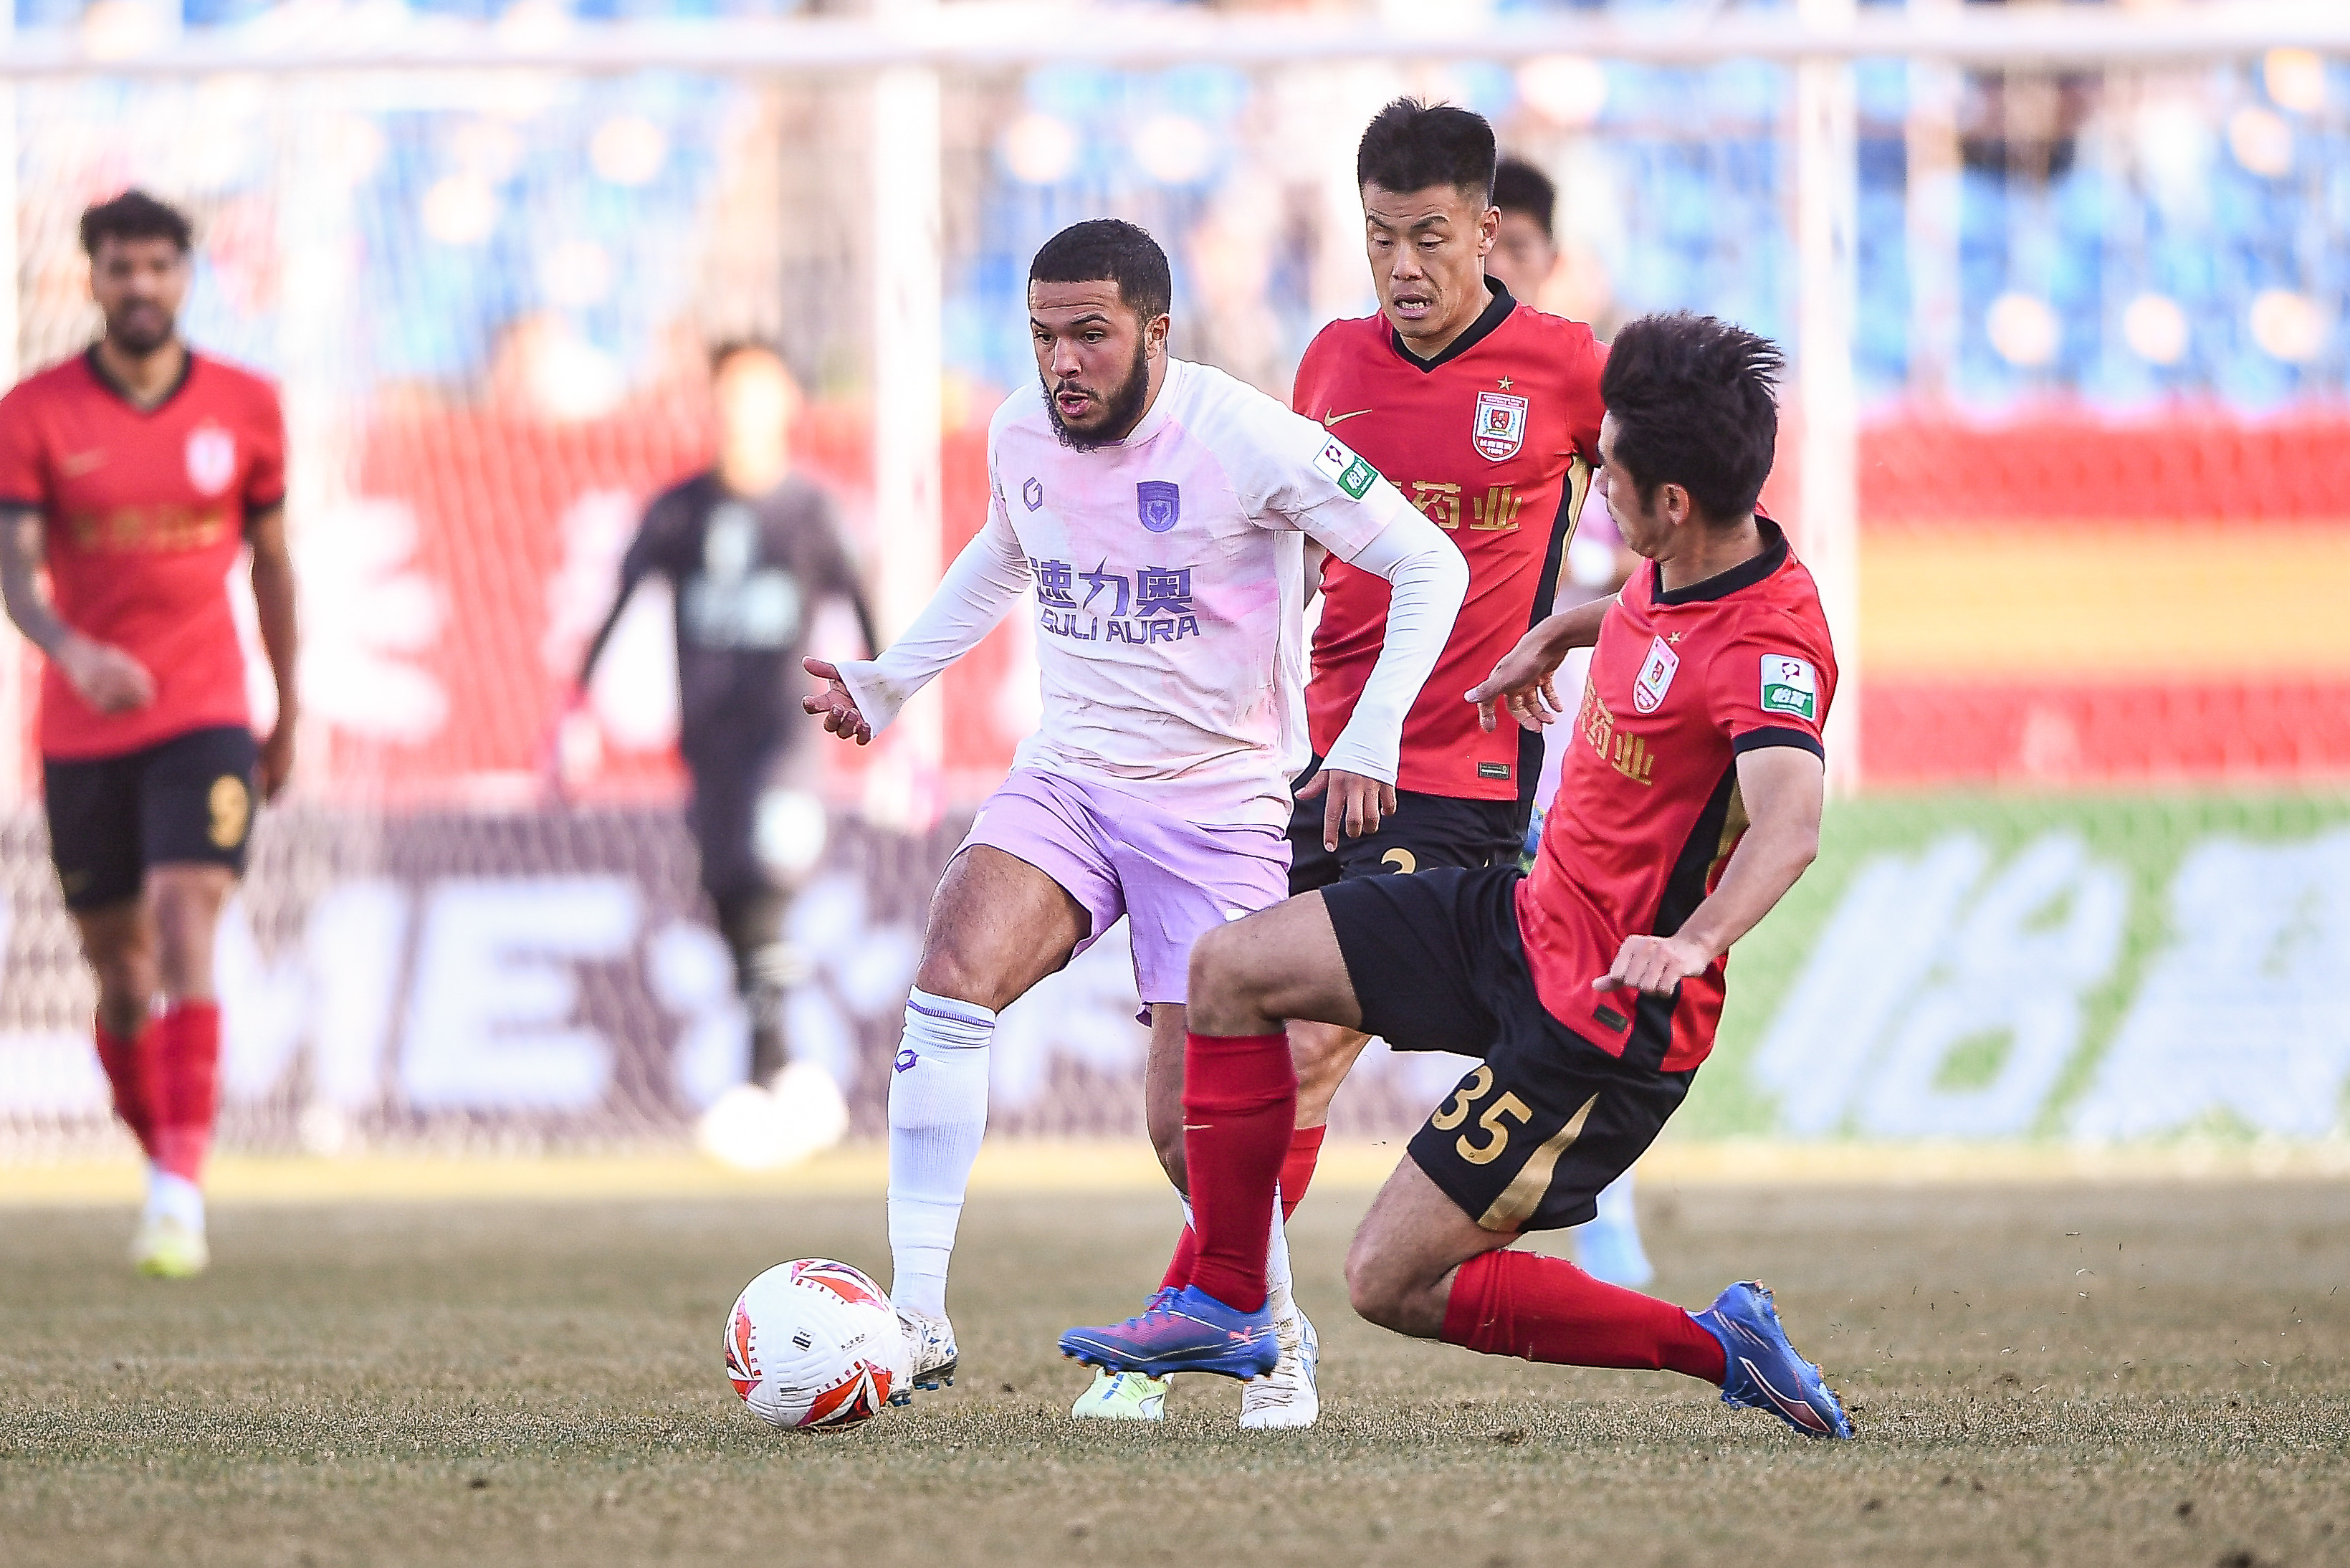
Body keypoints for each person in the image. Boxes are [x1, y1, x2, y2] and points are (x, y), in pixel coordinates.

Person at [1061, 312, 1854, 1443]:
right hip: (1517, 920)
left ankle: (1719, 1345)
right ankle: (1228, 1301)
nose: (1598, 490)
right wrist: (1563, 631)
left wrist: (1692, 941)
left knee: (1386, 1281)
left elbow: (1789, 822)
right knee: (1230, 968)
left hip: (1599, 1022)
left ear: (1671, 502)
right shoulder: (1694, 553)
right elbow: (1663, 618)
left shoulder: (1771, 648)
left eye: (1611, 475)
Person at [801, 219, 1466, 1425]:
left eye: (1090, 334)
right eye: (1043, 335)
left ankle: (1275, 1330)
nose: (1062, 361)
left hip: (1216, 803)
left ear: (1157, 332)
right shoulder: (1020, 431)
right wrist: (890, 681)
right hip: (1067, 777)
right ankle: (918, 1316)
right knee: (949, 976)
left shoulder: (1244, 436)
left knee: (1182, 1128)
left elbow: (1430, 563)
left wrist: (1370, 735)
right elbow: (1005, 551)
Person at [1133, 100, 1612, 1428]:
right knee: (1184, 1110)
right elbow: (1283, 556)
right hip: (1306, 766)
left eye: (1428, 239)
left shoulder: (1566, 369)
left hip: (1457, 778)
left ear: (1486, 231)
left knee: (1303, 1045)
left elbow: (1680, 526)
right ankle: (1253, 1313)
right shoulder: (1330, 361)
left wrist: (1579, 628)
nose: (1402, 267)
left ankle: (1229, 1331)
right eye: (1378, 238)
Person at [0, 191, 297, 1278]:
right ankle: (159, 1147)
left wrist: (288, 707)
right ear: (92, 278)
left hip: (205, 710)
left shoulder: (247, 405)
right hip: (85, 727)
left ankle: (180, 1190)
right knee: (120, 975)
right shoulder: (33, 413)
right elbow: (15, 574)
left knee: (187, 916)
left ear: (186, 276)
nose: (140, 285)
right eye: (121, 267)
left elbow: (273, 566)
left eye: (159, 266)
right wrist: (70, 650)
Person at [570, 341, 875, 1162]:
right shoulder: (679, 510)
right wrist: (576, 711)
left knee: (768, 882)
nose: (740, 411)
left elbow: (868, 605)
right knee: (727, 893)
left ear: (786, 404)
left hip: (787, 737)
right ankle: (783, 1075)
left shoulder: (810, 512)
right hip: (709, 743)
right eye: (728, 394)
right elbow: (617, 605)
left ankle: (764, 1074)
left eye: (756, 392)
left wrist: (893, 714)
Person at [1488, 151, 1652, 1291]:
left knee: (1589, 987)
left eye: (1515, 250)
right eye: (1481, 248)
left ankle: (1605, 1215)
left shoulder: (1609, 414)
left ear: (1552, 260)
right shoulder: (1430, 406)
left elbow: (1680, 569)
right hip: (1459, 751)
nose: (1497, 271)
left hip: (1583, 763)